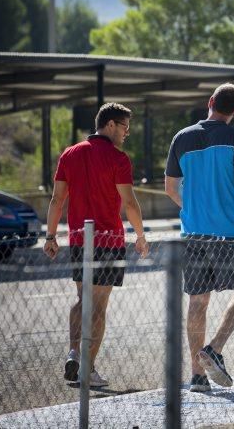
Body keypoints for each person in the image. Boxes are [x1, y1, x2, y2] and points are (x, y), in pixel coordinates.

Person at [164, 83, 234, 393]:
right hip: (229, 236)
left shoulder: (181, 138)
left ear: (209, 102)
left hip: (194, 235)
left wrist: (196, 208)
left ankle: (197, 376)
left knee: (198, 302)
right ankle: (215, 348)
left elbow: (171, 188)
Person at [43, 102, 149, 388]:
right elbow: (129, 203)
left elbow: (56, 200)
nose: (126, 133)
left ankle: (74, 351)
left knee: (82, 299)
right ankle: (87, 370)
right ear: (110, 125)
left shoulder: (70, 154)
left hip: (79, 238)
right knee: (99, 307)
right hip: (109, 240)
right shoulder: (118, 158)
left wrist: (51, 236)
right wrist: (140, 236)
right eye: (124, 127)